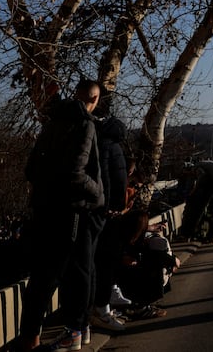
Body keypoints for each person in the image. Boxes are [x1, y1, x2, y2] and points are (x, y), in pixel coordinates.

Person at [21, 78, 106, 351]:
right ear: (93, 100)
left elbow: (31, 169)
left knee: (44, 276)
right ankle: (76, 331)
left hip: (44, 207)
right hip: (71, 210)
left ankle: (34, 337)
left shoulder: (52, 122)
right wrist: (98, 193)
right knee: (74, 272)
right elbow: (76, 173)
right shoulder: (85, 124)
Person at [90, 112, 131, 329]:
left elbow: (104, 179)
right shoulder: (114, 146)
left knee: (101, 261)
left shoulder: (101, 144)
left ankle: (99, 309)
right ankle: (101, 309)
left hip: (103, 213)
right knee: (106, 261)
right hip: (111, 214)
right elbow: (114, 179)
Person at [179, 157, 213, 244]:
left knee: (202, 205)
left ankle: (191, 233)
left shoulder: (196, 167)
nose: (189, 175)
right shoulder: (205, 163)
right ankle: (211, 235)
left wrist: (194, 191)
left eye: (187, 173)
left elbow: (201, 178)